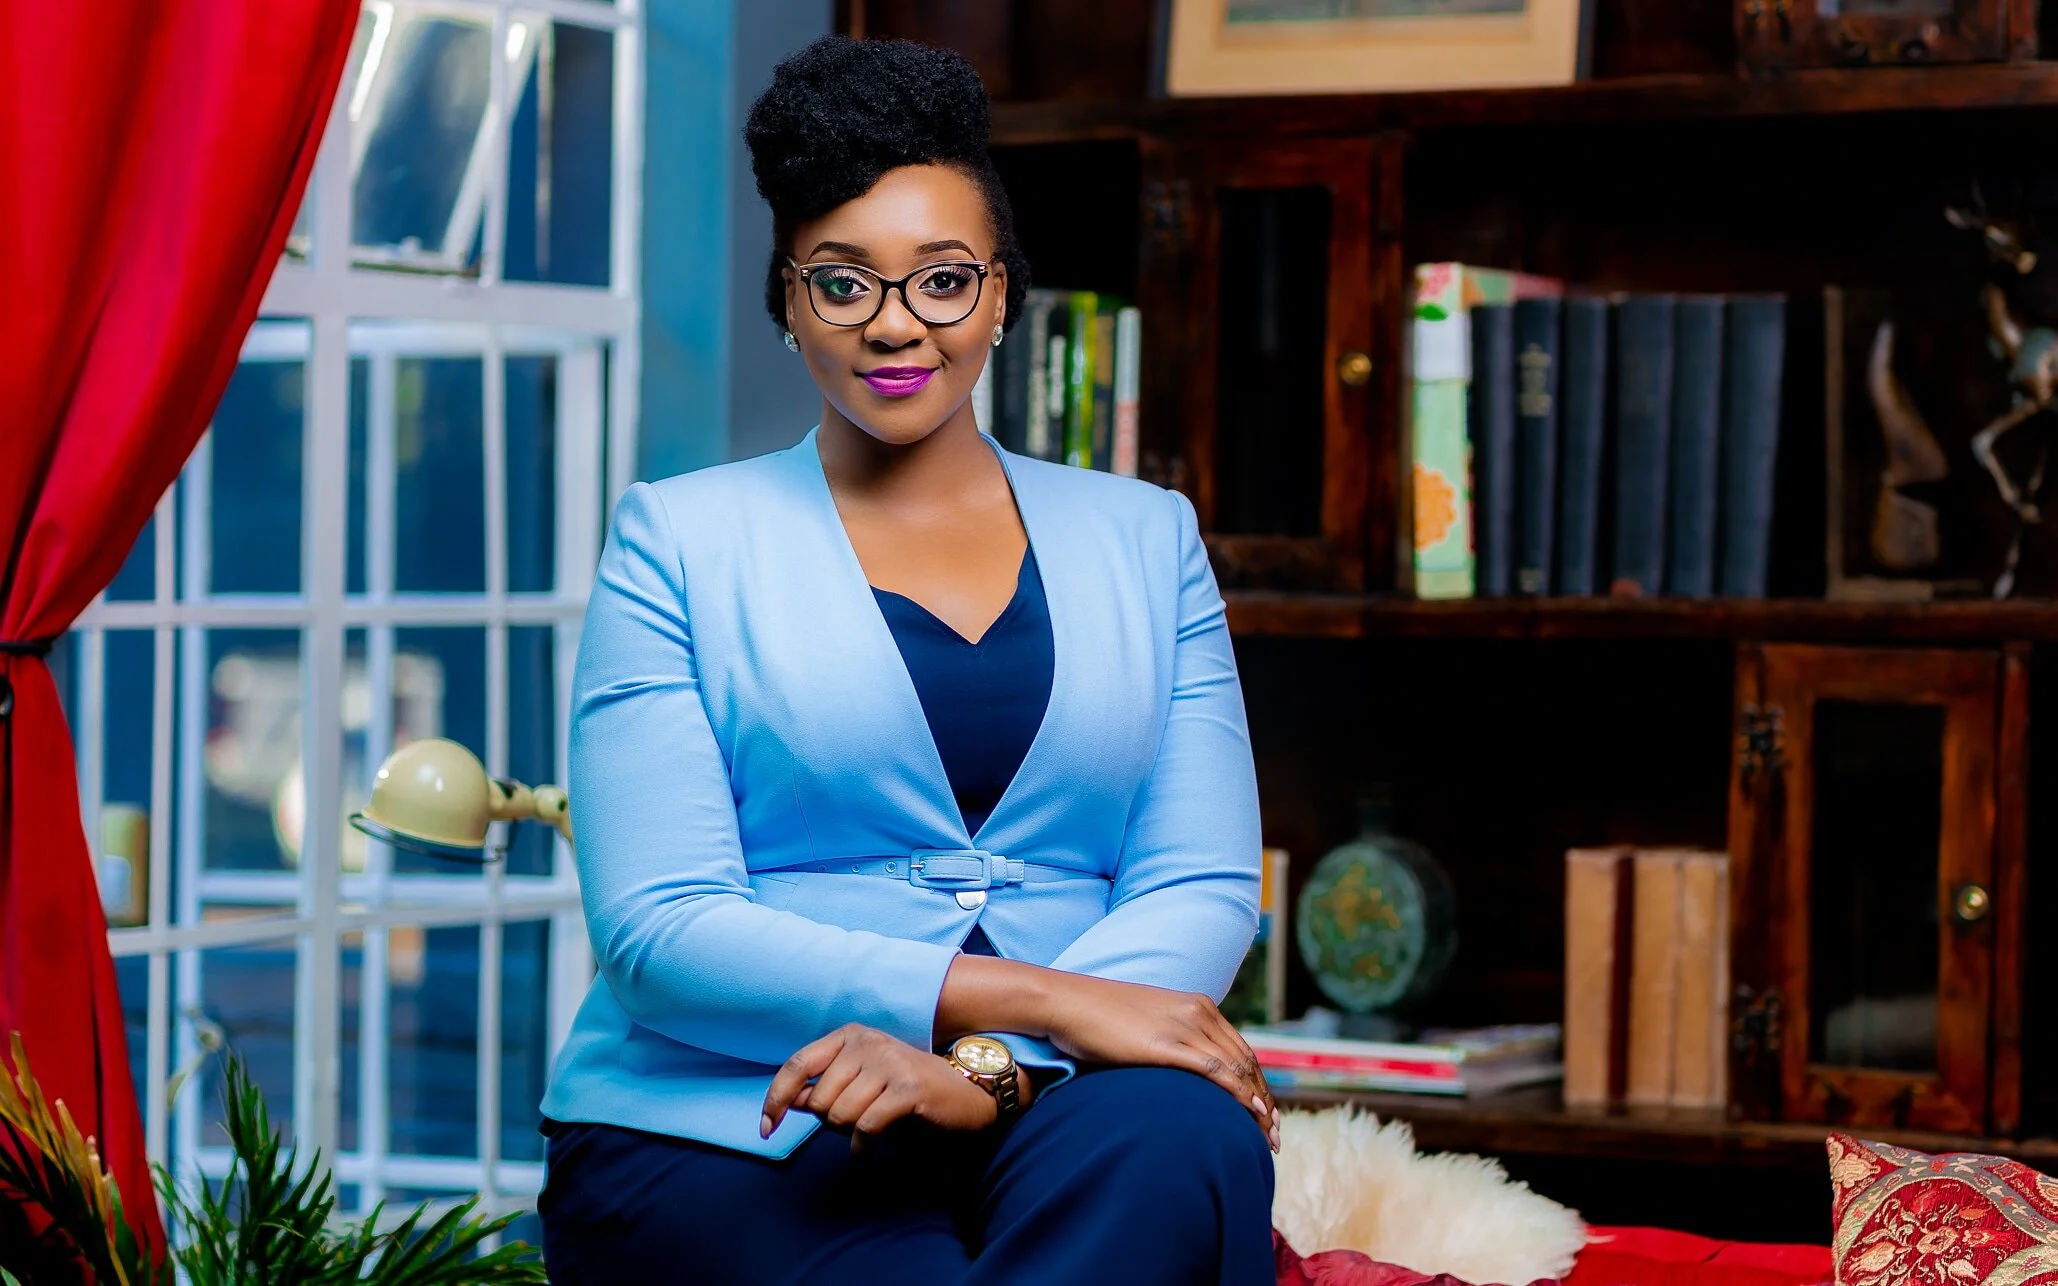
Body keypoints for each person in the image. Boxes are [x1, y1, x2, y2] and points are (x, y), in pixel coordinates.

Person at [536, 35, 1276, 1285]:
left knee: (1185, 1141)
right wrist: (1033, 1000)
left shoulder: (1149, 538)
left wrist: (989, 1068)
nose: (895, 323)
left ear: (1002, 296)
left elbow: (1199, 880)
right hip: (738, 1108)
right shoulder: (676, 539)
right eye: (842, 283)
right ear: (787, 302)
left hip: (1054, 1094)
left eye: (942, 280)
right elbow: (660, 928)